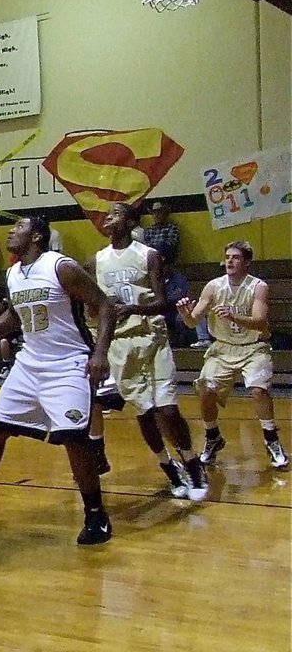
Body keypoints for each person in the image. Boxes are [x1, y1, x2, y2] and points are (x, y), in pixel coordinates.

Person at [0, 215, 118, 545]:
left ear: (37, 236)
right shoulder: (13, 273)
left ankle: (96, 514)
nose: (11, 232)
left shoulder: (61, 267)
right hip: (30, 363)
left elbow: (105, 306)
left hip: (68, 363)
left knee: (74, 438)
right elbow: (16, 313)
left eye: (18, 228)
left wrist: (99, 354)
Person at [91, 203, 208, 500]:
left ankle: (192, 463)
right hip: (120, 344)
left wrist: (133, 308)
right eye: (108, 214)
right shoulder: (98, 260)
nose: (108, 217)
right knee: (144, 412)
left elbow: (163, 303)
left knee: (167, 409)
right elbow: (94, 305)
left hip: (151, 338)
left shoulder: (148, 255)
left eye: (116, 214)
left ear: (130, 223)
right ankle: (169, 468)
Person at [177, 241, 288, 469]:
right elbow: (193, 322)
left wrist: (232, 316)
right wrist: (185, 314)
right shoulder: (213, 286)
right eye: (227, 256)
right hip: (223, 347)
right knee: (205, 390)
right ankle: (213, 437)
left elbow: (259, 322)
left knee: (259, 391)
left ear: (246, 263)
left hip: (253, 347)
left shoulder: (258, 287)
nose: (229, 261)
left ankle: (271, 439)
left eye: (236, 257)